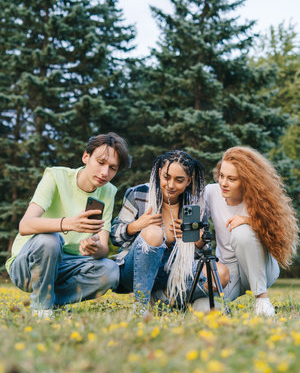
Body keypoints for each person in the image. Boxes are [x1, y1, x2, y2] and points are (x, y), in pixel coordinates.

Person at [6, 132, 130, 318]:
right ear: (86, 157)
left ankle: (49, 300)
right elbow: (25, 225)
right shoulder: (55, 176)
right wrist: (69, 224)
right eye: (101, 162)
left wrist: (93, 248)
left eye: (113, 168)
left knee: (110, 271)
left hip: (66, 265)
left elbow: (103, 249)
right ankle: (42, 307)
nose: (105, 173)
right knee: (50, 239)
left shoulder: (108, 191)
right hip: (28, 266)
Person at [110, 150, 230, 310]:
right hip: (136, 270)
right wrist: (137, 225)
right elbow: (115, 236)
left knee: (222, 273)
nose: (171, 185)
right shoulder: (139, 193)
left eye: (179, 180)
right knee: (153, 233)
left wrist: (198, 240)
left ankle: (163, 298)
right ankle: (141, 306)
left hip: (175, 269)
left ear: (188, 181)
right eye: (166, 177)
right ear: (159, 173)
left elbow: (199, 254)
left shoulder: (193, 204)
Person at [204, 146, 298, 316]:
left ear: (247, 180)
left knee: (241, 233)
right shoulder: (211, 192)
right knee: (206, 307)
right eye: (221, 176)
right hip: (229, 270)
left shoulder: (259, 198)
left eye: (232, 179)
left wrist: (249, 221)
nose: (223, 183)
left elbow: (279, 233)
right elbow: (193, 218)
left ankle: (262, 301)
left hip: (260, 267)